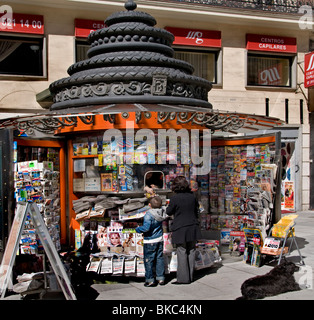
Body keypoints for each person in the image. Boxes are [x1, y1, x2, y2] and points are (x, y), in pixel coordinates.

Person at [166, 176, 202, 284]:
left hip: (180, 227)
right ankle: (190, 276)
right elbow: (197, 210)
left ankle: (183, 279)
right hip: (193, 226)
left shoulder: (175, 198)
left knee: (181, 251)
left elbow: (169, 211)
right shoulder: (192, 197)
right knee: (191, 251)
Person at [135, 196, 167, 287]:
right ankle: (161, 278)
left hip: (150, 240)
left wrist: (137, 229)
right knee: (159, 258)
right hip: (159, 239)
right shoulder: (162, 212)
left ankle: (150, 280)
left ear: (149, 205)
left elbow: (146, 228)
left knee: (148, 260)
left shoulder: (148, 214)